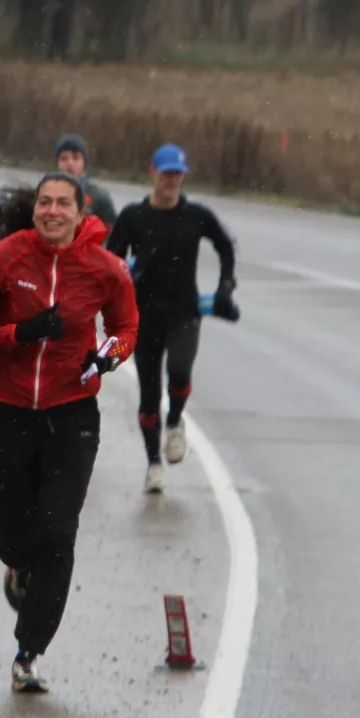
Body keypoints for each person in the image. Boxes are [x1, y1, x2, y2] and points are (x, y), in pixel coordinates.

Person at [0, 174, 138, 693]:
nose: (52, 211)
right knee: (17, 538)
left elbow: (125, 330)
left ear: (81, 212)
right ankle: (18, 566)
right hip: (6, 412)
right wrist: (17, 334)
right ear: (34, 210)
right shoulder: (2, 260)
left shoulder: (106, 269)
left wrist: (107, 358)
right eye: (45, 202)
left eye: (63, 204)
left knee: (58, 530)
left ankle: (29, 651)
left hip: (71, 414)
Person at [105, 143, 237, 494]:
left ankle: (175, 422)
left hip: (184, 312)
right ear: (153, 173)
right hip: (143, 317)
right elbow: (108, 260)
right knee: (148, 394)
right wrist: (129, 272)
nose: (172, 181)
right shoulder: (134, 217)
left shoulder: (197, 216)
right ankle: (153, 464)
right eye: (166, 174)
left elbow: (226, 246)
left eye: (177, 174)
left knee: (179, 371)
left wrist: (225, 287)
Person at [54, 134, 117, 230]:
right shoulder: (45, 193)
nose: (70, 163)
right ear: (57, 163)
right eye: (64, 158)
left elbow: (110, 233)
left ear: (84, 163)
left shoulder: (99, 196)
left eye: (76, 158)